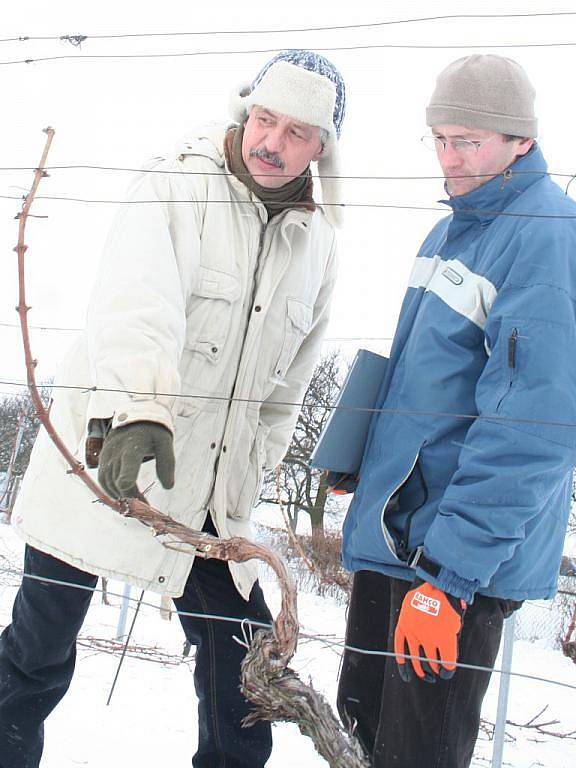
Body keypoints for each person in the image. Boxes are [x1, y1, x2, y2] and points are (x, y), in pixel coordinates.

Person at [0, 49, 345, 768]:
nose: (271, 142)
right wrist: (139, 412)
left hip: (210, 501)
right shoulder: (175, 187)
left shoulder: (318, 245)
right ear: (244, 110)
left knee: (242, 685)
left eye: (296, 131)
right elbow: (135, 306)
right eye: (263, 118)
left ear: (323, 147)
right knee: (35, 658)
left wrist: (253, 477)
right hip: (107, 461)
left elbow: (287, 391)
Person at [335, 54, 576, 767]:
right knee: (354, 742)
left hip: (452, 565)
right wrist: (361, 457)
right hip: (394, 538)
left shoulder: (549, 238)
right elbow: (421, 374)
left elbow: (534, 427)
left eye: (467, 140)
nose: (450, 157)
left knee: (416, 756)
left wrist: (449, 578)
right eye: (439, 138)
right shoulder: (447, 232)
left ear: (520, 141)